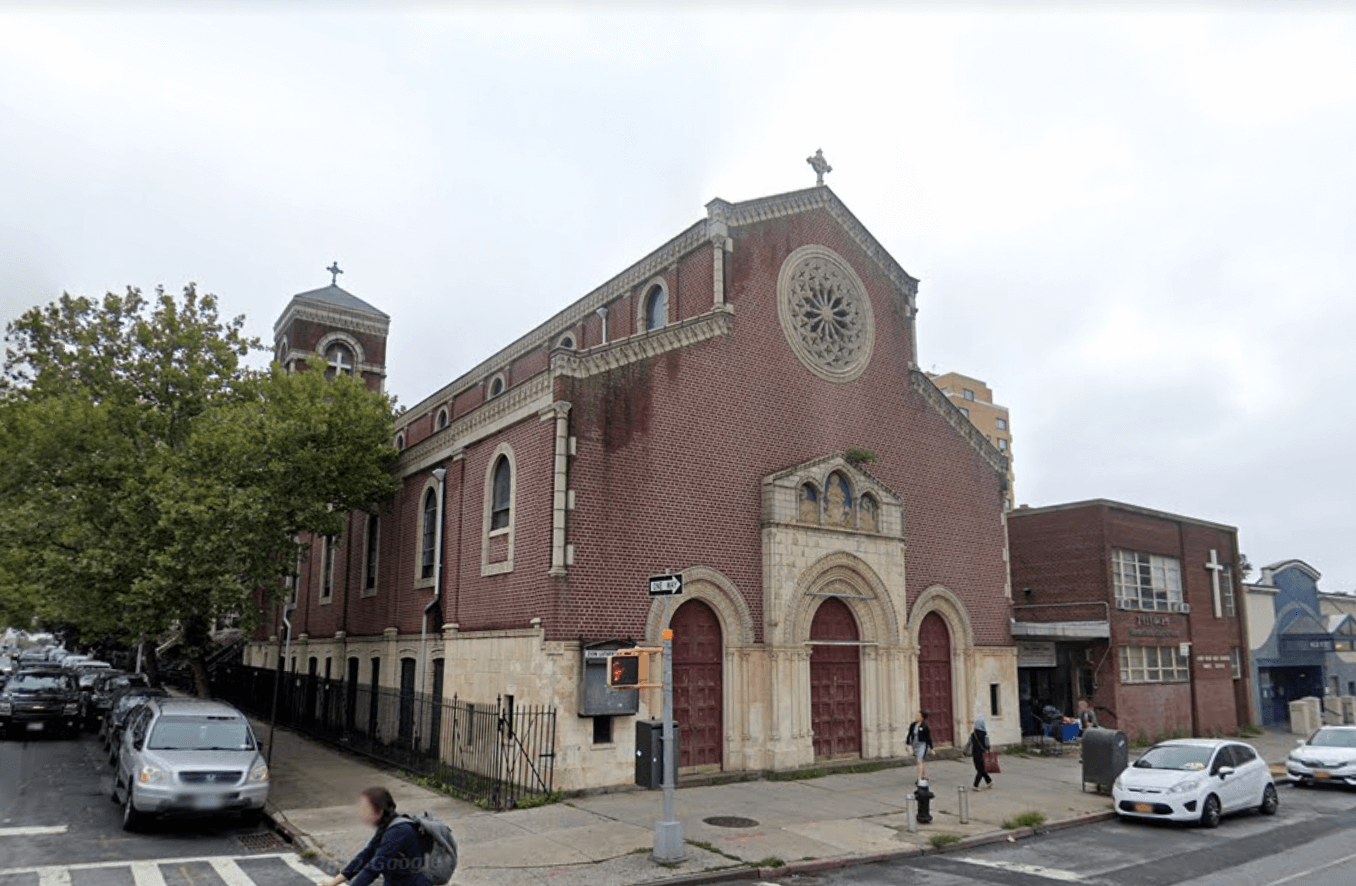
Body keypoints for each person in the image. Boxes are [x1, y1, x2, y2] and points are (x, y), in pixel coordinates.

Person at [316, 788, 430, 886]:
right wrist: (334, 882)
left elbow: (373, 868)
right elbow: (366, 854)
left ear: (379, 811)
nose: (362, 813)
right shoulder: (387, 825)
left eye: (366, 809)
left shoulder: (398, 832)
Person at [906, 710, 934, 780]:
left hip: (922, 745)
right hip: (915, 744)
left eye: (918, 716)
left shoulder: (925, 726)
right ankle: (925, 775)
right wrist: (908, 743)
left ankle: (919, 778)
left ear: (922, 718)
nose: (916, 717)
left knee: (919, 761)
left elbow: (928, 737)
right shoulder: (913, 725)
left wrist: (931, 748)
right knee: (921, 760)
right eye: (916, 715)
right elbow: (909, 734)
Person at [970, 716, 993, 789]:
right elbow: (987, 744)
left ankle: (989, 781)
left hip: (975, 753)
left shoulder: (973, 734)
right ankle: (976, 785)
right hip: (983, 753)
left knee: (980, 768)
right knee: (981, 769)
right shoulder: (984, 734)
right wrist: (988, 750)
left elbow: (969, 743)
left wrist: (965, 751)